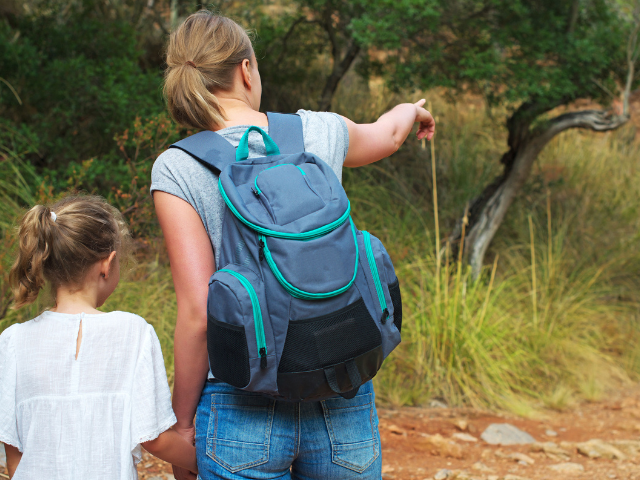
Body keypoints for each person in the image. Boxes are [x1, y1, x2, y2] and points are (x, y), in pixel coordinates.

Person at [152, 10, 435, 480]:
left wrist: (183, 425)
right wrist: (412, 110)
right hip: (343, 388)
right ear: (246, 69)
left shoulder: (178, 167)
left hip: (242, 401)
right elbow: (386, 134)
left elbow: (198, 314)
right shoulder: (319, 130)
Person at [0, 195, 197, 479]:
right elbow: (155, 438)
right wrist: (200, 463)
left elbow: (15, 458)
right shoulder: (134, 332)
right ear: (108, 264)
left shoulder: (13, 342)